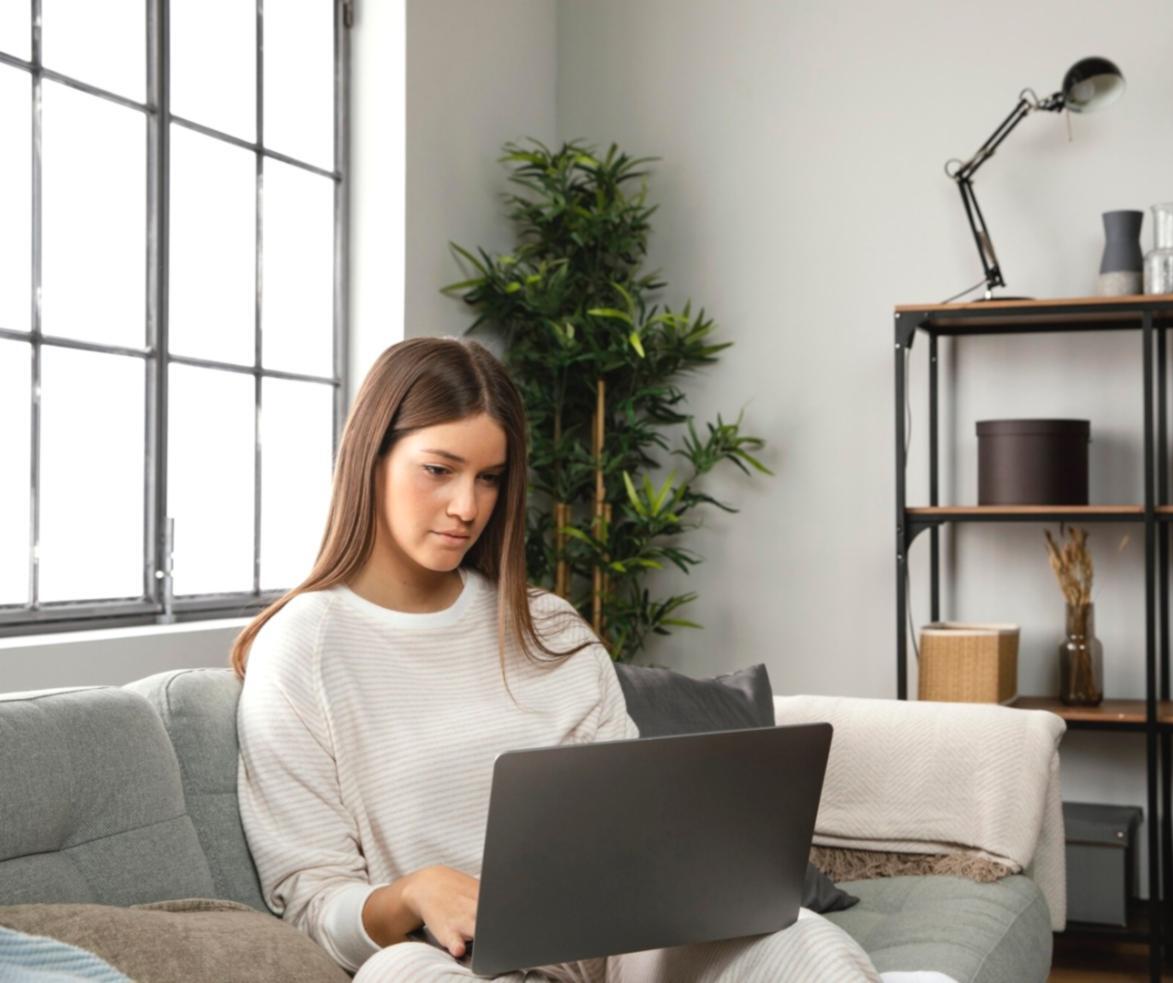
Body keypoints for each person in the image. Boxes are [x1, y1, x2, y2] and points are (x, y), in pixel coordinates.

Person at [231, 337, 881, 982]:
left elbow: (632, 819)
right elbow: (312, 902)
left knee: (807, 943)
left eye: (489, 479)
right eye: (439, 469)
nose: (467, 506)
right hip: (445, 962)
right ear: (371, 457)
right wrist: (412, 893)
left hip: (620, 942)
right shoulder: (302, 650)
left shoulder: (548, 626)